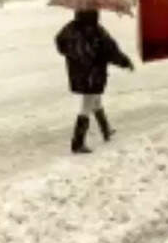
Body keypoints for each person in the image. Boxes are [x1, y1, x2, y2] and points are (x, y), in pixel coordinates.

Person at [55, 9, 134, 154]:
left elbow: (60, 43)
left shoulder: (70, 28)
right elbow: (111, 50)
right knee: (87, 105)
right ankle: (78, 142)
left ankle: (106, 129)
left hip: (77, 73)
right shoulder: (96, 31)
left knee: (94, 100)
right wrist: (125, 62)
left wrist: (77, 55)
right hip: (93, 73)